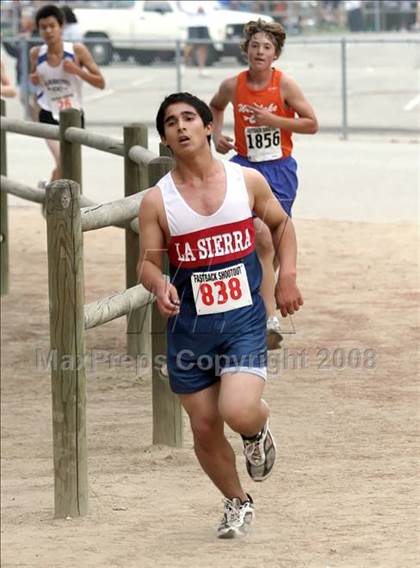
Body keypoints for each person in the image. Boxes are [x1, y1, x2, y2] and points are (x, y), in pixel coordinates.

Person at [137, 92, 303, 538]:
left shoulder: (244, 181)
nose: (181, 126)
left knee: (237, 409)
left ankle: (257, 429)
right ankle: (236, 502)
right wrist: (160, 283)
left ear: (209, 126)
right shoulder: (158, 201)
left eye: (190, 117)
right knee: (205, 424)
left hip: (243, 320)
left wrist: (286, 276)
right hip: (190, 329)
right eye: (171, 122)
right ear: (165, 139)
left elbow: (282, 225)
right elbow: (148, 263)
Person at [209, 19, 318, 349]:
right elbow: (215, 106)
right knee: (257, 236)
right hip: (244, 166)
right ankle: (267, 317)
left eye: (267, 47)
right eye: (254, 45)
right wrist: (216, 135)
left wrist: (275, 120)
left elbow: (312, 123)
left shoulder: (284, 85)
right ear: (246, 50)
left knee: (270, 239)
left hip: (279, 170)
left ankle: (260, 301)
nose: (259, 51)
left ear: (276, 54)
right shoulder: (233, 85)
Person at [29, 4, 105, 182]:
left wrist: (77, 71)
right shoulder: (36, 53)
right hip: (48, 113)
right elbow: (35, 82)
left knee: (67, 165)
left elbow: (101, 82)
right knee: (62, 160)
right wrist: (33, 81)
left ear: (61, 26)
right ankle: (53, 198)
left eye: (52, 26)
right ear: (39, 30)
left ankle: (48, 190)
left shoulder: (77, 51)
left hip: (74, 114)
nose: (48, 31)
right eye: (43, 27)